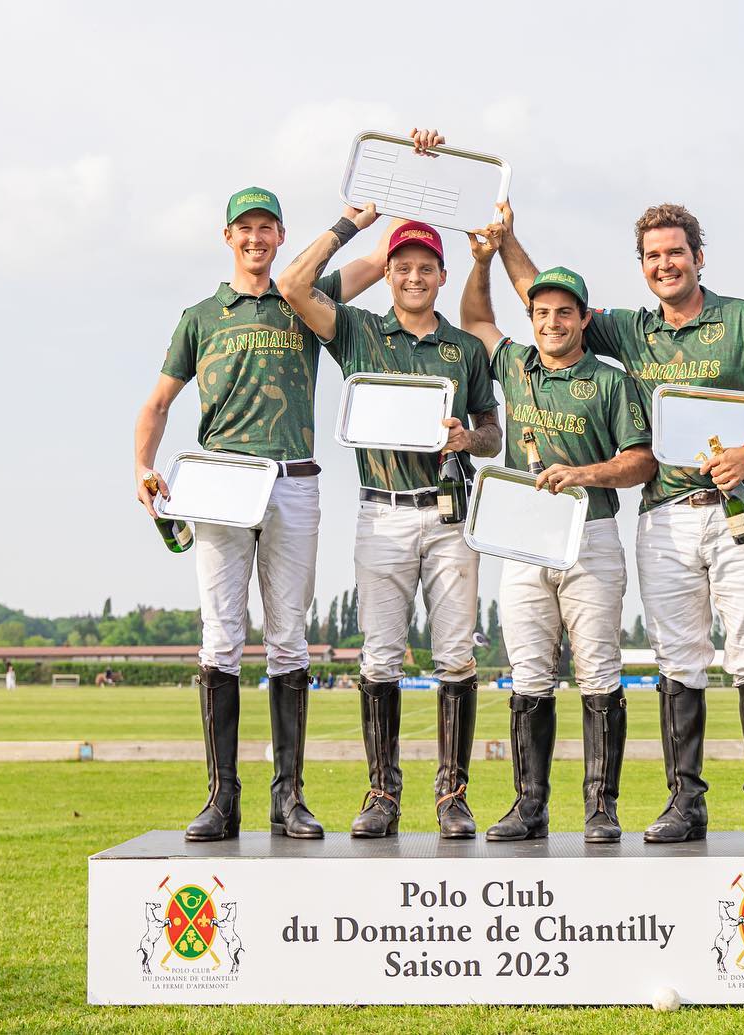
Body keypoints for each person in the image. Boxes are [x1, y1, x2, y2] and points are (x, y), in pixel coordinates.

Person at [499, 200, 744, 844]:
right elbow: (545, 301)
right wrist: (506, 239)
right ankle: (686, 804)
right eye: (652, 256)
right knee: (679, 660)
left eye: (675, 252)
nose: (665, 264)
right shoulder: (631, 330)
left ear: (699, 257)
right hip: (666, 515)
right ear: (642, 267)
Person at [134, 184, 391, 841]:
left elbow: (384, 259)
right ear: (228, 238)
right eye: (243, 228)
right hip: (221, 483)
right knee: (220, 637)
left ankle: (290, 797)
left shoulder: (304, 296)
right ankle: (223, 799)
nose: (254, 239)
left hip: (293, 480)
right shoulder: (201, 316)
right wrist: (143, 464)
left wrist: (393, 197)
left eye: (266, 228)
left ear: (281, 236)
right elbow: (158, 402)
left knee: (288, 639)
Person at [279, 133, 501, 840]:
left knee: (457, 655)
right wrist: (356, 224)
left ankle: (452, 795)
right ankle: (383, 792)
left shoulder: (463, 349)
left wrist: (471, 438)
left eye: (424, 267)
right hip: (381, 512)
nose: (412, 277)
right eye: (401, 266)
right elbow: (293, 286)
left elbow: (493, 431)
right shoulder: (360, 333)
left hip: (447, 514)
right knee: (379, 657)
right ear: (390, 271)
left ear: (440, 275)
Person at [459, 222, 656, 843]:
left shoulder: (609, 380)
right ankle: (529, 806)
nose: (550, 323)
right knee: (528, 674)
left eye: (563, 313)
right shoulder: (515, 365)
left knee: (599, 672)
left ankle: (601, 807)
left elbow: (642, 459)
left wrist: (584, 473)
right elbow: (475, 320)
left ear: (581, 318)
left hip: (591, 535)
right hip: (523, 539)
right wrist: (485, 260)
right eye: (541, 312)